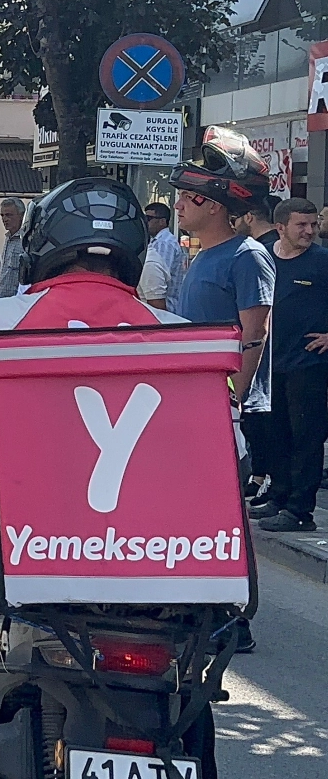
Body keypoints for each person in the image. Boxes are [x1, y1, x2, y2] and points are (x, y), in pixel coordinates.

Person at [0, 176, 221, 779]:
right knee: (186, 691)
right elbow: (237, 459)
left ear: (42, 245)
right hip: (163, 568)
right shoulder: (181, 335)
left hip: (22, 561)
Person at [172, 126, 272, 655]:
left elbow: (253, 335)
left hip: (221, 409)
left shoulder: (246, 256)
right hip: (193, 406)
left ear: (216, 206)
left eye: (191, 198)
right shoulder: (201, 256)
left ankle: (237, 619)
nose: (180, 206)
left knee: (224, 513)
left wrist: (232, 401)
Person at [252, 197, 328, 533]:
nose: (310, 231)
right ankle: (279, 498)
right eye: (302, 225)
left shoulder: (323, 261)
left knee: (306, 439)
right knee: (275, 435)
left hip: (308, 365)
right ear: (280, 227)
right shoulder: (263, 259)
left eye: (313, 224)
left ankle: (300, 511)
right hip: (270, 365)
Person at [138, 200, 187, 312]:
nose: (145, 222)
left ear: (162, 221)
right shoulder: (158, 241)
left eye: (149, 219)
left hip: (164, 309)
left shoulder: (164, 243)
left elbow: (156, 282)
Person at [0, 198, 27, 297]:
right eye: (2, 215)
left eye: (9, 215)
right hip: (3, 298)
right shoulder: (8, 238)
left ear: (21, 216)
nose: (4, 219)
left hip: (18, 301)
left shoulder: (26, 240)